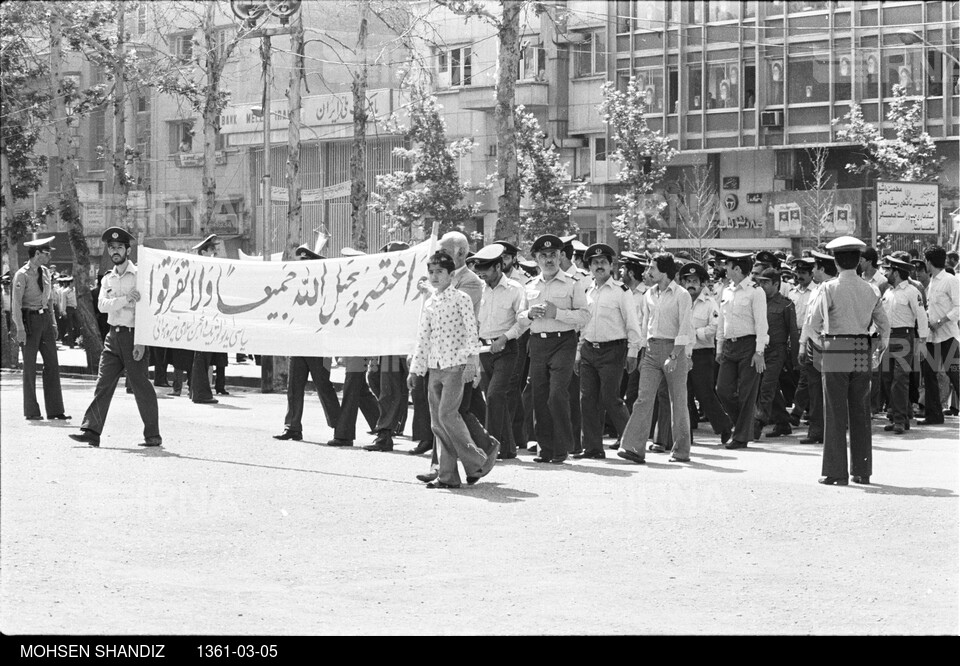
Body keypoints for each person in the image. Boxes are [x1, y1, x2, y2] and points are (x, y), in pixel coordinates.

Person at [408, 251, 497, 488]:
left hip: (456, 366)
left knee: (448, 415)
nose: (435, 276)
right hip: (434, 367)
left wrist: (471, 362)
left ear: (450, 274)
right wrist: (415, 369)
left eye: (440, 272)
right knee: (438, 423)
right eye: (432, 272)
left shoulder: (461, 298)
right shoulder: (429, 302)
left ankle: (478, 459)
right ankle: (448, 477)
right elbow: (423, 337)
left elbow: (471, 331)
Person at [68, 227, 160, 448]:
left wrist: (140, 341)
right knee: (103, 384)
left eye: (119, 247)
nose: (115, 251)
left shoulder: (138, 275)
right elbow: (102, 305)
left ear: (128, 250)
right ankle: (91, 431)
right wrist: (125, 299)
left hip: (132, 336)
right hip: (112, 337)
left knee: (141, 386)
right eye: (111, 248)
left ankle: (153, 435)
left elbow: (144, 310)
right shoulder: (108, 278)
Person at [809, 237, 889, 486]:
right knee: (860, 411)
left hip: (835, 347)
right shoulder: (871, 289)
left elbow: (813, 325)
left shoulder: (828, 288)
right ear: (858, 261)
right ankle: (861, 470)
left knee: (834, 411)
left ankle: (836, 472)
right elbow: (884, 326)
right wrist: (878, 350)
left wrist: (823, 345)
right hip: (861, 348)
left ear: (835, 261)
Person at [517, 234, 589, 464]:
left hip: (563, 342)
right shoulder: (529, 286)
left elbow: (584, 315)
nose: (549, 260)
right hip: (538, 342)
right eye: (543, 256)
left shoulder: (572, 283)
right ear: (536, 259)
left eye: (553, 255)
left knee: (557, 394)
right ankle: (545, 448)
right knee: (539, 396)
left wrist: (556, 313)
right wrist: (529, 314)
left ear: (561, 257)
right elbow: (519, 317)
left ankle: (563, 446)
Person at [618, 252, 694, 464]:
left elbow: (685, 328)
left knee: (677, 401)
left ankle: (681, 451)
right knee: (643, 399)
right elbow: (644, 326)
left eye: (652, 268)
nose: (648, 272)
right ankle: (633, 448)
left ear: (664, 271)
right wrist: (641, 354)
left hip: (674, 350)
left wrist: (675, 355)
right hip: (651, 350)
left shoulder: (682, 295)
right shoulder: (649, 294)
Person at [574, 244, 642, 459]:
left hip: (613, 350)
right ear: (590, 267)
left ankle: (633, 445)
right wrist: (578, 352)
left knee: (611, 398)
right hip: (588, 349)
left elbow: (632, 323)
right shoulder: (586, 291)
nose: (599, 266)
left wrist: (633, 352)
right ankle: (593, 447)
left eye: (603, 262)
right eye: (595, 263)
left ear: (611, 266)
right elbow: (583, 324)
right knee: (587, 400)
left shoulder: (621, 292)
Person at [273, 245, 342, 442]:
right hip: (299, 343)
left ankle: (340, 427)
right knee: (294, 386)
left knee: (323, 386)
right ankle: (292, 427)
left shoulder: (325, 287)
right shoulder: (296, 287)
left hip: (319, 344)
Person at [471, 243, 528, 460]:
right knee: (495, 398)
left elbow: (523, 322)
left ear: (498, 266)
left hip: (506, 348)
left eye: (486, 267)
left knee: (495, 395)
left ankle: (490, 446)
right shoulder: (479, 289)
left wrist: (505, 338)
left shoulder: (515, 289)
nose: (482, 272)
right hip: (484, 349)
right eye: (479, 268)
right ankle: (508, 447)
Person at [11, 236, 70, 422]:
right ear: (37, 254)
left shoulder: (45, 272)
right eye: (46, 254)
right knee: (29, 367)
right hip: (29, 321)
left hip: (44, 320)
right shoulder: (21, 274)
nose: (49, 257)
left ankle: (55, 410)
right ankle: (32, 410)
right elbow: (16, 304)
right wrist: (19, 327)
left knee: (52, 364)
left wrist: (52, 322)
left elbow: (50, 299)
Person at [713, 250, 768, 450]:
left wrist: (759, 351)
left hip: (749, 345)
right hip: (729, 344)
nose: (724, 269)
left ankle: (741, 436)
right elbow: (721, 321)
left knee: (747, 393)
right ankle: (745, 425)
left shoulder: (756, 291)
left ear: (737, 268)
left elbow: (762, 323)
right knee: (723, 390)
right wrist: (719, 347)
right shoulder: (726, 290)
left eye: (727, 266)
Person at [365, 241, 413, 452]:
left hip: (410, 347)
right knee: (387, 389)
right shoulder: (385, 285)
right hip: (392, 347)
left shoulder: (415, 281)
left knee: (417, 393)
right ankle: (386, 433)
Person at [680, 261, 733, 443]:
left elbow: (715, 326)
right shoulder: (680, 301)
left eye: (695, 281)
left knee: (705, 394)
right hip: (682, 354)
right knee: (683, 395)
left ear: (702, 283)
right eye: (687, 281)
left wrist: (694, 334)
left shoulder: (710, 303)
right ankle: (686, 435)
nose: (691, 284)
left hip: (702, 354)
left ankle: (725, 428)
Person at [880, 255, 928, 434]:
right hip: (887, 337)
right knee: (887, 378)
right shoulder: (888, 292)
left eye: (889, 270)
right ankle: (901, 414)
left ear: (896, 272)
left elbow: (921, 317)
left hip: (904, 336)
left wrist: (922, 341)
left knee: (900, 379)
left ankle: (900, 419)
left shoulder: (911, 292)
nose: (886, 272)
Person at [752, 268, 798, 439]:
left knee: (767, 387)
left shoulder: (786, 304)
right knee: (766, 387)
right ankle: (783, 422)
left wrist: (795, 359)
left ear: (776, 284)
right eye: (760, 282)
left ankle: (758, 422)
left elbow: (793, 333)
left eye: (765, 282)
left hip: (776, 351)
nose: (761, 285)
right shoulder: (757, 301)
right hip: (759, 350)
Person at [919, 246, 960, 426]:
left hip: (948, 336)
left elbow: (958, 308)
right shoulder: (933, 281)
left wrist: (941, 321)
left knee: (955, 374)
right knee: (929, 374)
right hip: (931, 337)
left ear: (929, 261)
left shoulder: (950, 280)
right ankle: (933, 414)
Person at [189, 234, 220, 405]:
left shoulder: (205, 266)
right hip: (203, 316)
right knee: (202, 356)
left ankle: (197, 391)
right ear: (204, 251)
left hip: (205, 315)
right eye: (212, 250)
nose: (215, 253)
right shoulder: (202, 267)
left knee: (201, 357)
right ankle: (201, 393)